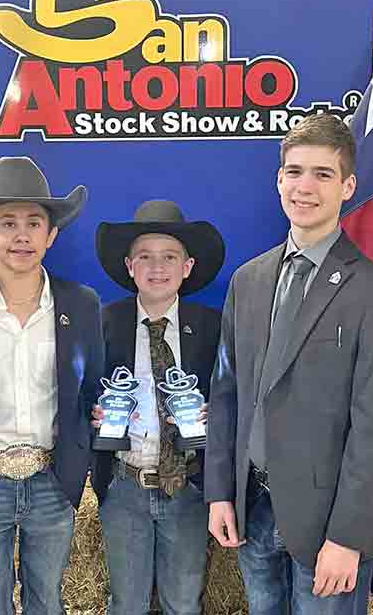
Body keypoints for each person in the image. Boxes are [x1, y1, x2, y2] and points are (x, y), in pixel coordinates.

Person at [204, 113, 373, 615]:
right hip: (253, 509)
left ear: (348, 186)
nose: (305, 186)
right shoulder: (247, 281)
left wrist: (348, 535)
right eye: (294, 172)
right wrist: (221, 494)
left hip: (326, 526)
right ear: (279, 180)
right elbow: (226, 393)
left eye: (323, 174)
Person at [0, 156, 103, 615]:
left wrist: (79, 457)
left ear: (52, 235)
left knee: (46, 599)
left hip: (51, 480)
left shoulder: (80, 304)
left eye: (34, 223)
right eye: (7, 223)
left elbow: (91, 391)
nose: (21, 235)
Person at [90, 200, 224, 615]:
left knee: (183, 602)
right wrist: (91, 415)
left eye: (169, 257)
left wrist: (213, 417)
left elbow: (234, 395)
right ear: (130, 267)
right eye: (145, 257)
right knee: (126, 602)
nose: (157, 267)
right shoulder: (103, 321)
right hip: (125, 482)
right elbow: (74, 391)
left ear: (188, 266)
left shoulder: (211, 326)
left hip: (187, 485)